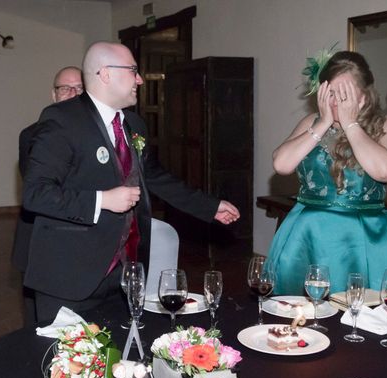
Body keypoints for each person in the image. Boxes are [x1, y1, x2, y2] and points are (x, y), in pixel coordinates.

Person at [21, 41, 239, 325]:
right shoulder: (62, 119)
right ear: (105, 74)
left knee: (118, 357)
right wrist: (103, 200)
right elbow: (36, 193)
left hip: (123, 272)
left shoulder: (134, 124)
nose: (139, 79)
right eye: (133, 70)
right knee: (67, 362)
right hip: (71, 274)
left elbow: (154, 176)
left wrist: (210, 206)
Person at [267, 50, 387, 294]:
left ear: (364, 95)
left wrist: (350, 124)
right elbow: (281, 164)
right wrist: (322, 124)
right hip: (308, 234)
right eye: (331, 93)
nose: (336, 101)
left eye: (345, 94)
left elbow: (385, 171)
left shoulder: (386, 124)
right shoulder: (311, 122)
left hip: (364, 236)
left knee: (366, 320)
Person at [12, 66, 84, 327]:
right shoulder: (32, 134)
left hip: (85, 241)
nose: (72, 94)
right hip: (40, 237)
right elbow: (44, 188)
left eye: (79, 88)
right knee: (39, 321)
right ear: (54, 95)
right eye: (65, 88)